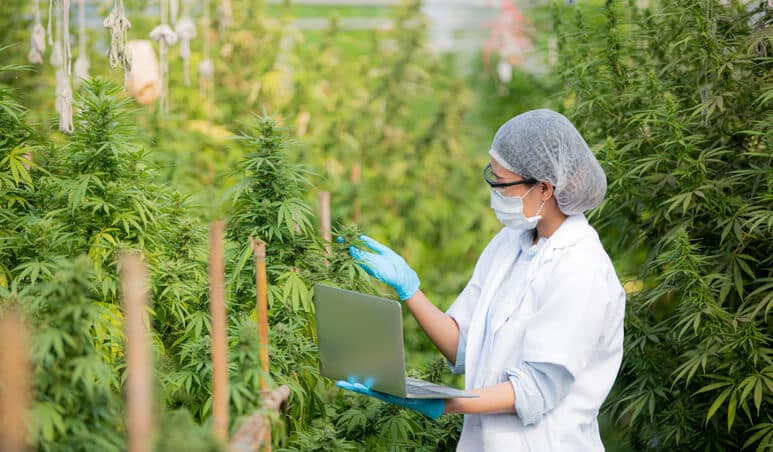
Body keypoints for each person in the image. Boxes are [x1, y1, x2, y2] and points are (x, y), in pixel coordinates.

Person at [337, 109, 626, 451]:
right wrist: (409, 290)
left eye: (502, 184)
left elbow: (534, 391)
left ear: (545, 188)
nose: (495, 194)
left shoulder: (581, 268)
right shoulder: (510, 243)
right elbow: (463, 348)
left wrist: (441, 402)